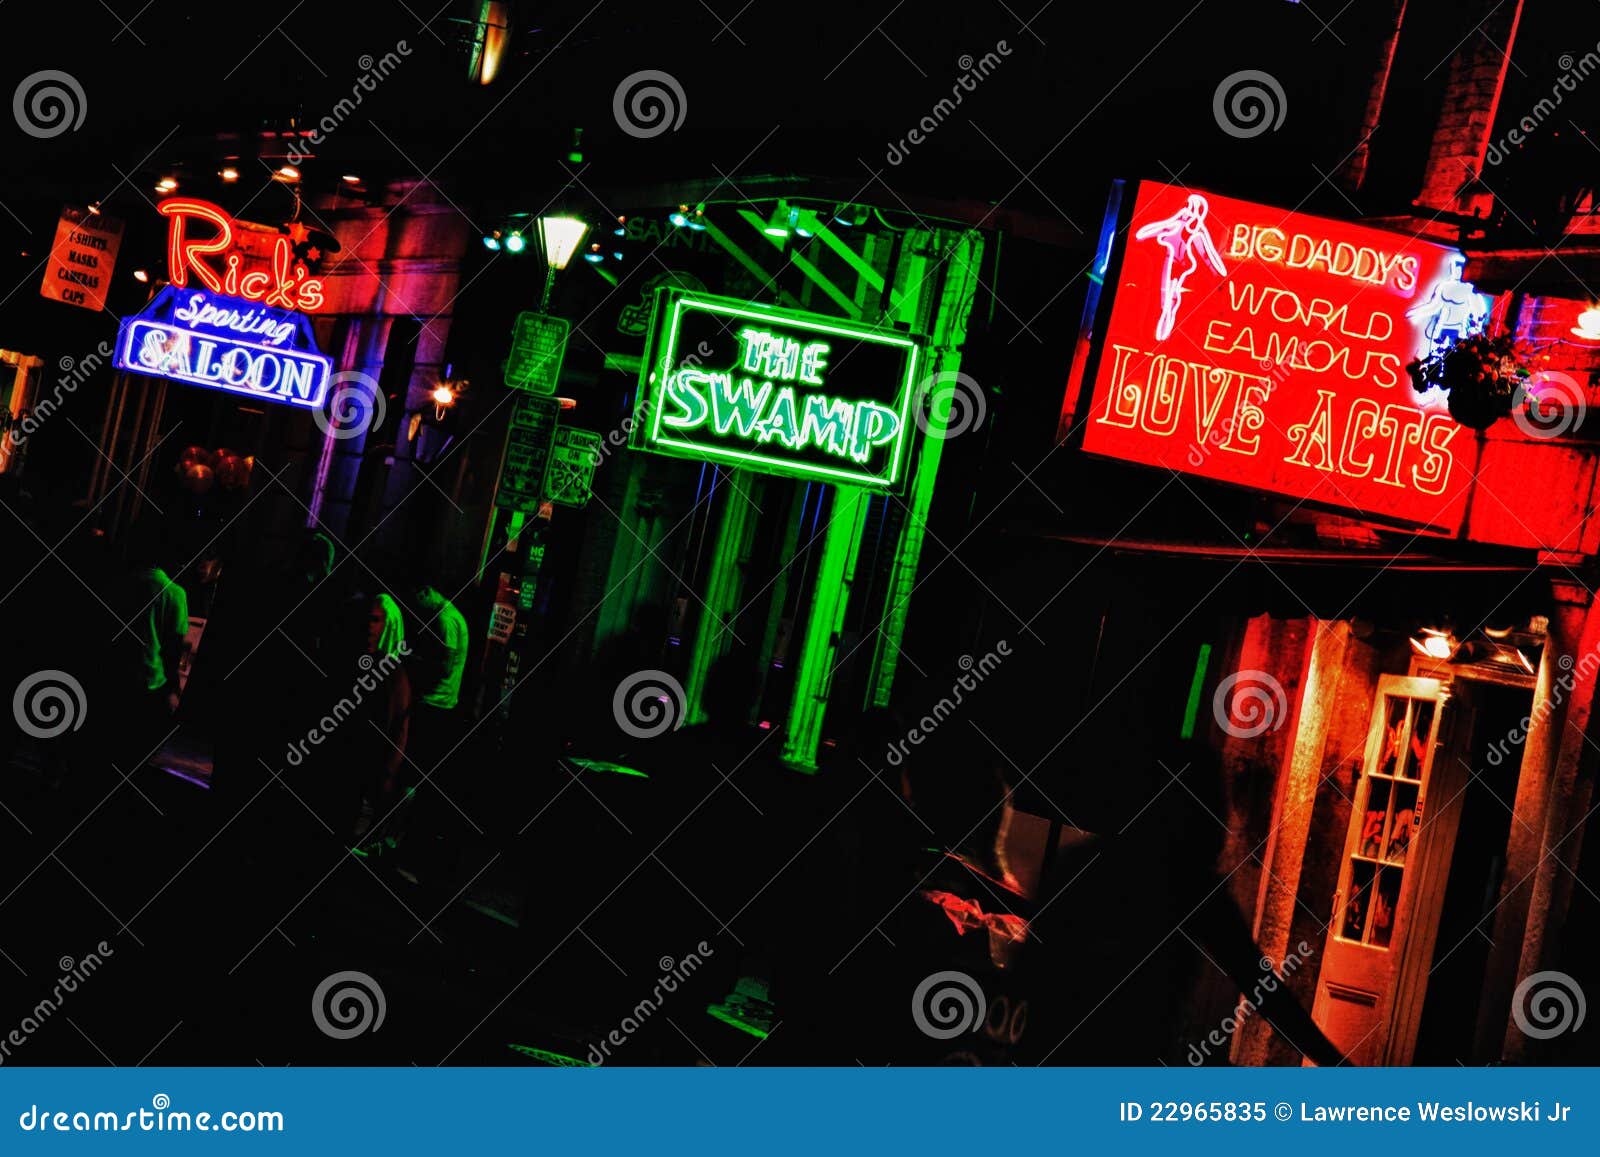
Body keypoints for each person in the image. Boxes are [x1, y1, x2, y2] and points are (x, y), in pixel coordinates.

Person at [117, 522, 190, 768]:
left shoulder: (123, 582)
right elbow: (173, 648)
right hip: (150, 681)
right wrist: (174, 687)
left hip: (116, 674)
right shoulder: (175, 594)